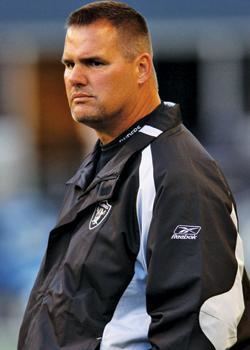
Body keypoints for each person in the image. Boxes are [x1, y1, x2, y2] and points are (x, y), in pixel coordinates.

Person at [18, 1, 250, 349]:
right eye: (68, 63)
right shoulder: (109, 156)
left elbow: (204, 328)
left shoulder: (175, 173)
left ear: (141, 68)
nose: (74, 78)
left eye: (94, 63)